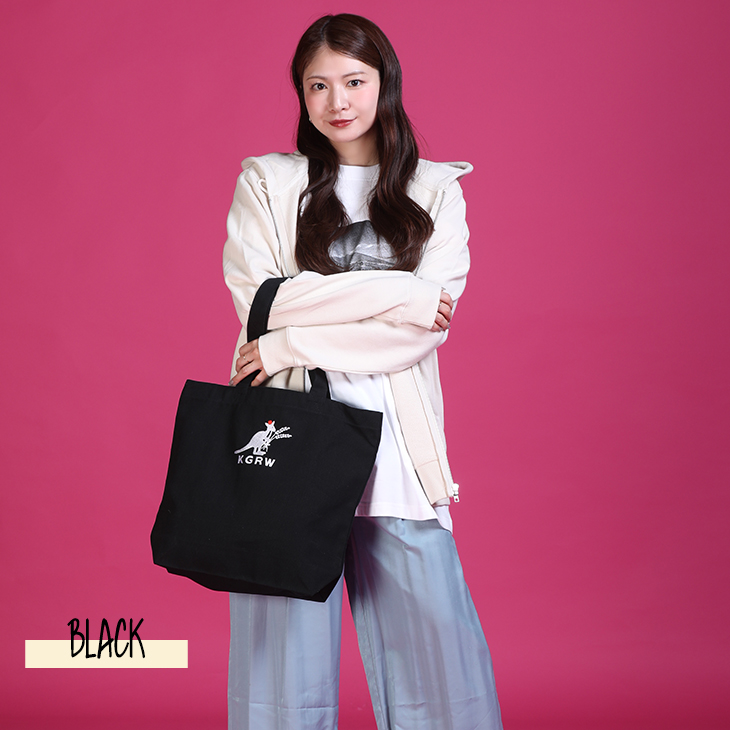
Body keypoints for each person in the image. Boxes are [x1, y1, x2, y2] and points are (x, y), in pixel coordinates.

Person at [223, 13, 503, 730]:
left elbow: (417, 335)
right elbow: (262, 303)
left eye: (353, 81)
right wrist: (402, 294)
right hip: (287, 443)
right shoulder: (268, 183)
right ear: (301, 93)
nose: (336, 101)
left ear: (385, 84)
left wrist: (290, 343)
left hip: (398, 452)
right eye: (317, 85)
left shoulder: (436, 190)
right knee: (280, 677)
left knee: (440, 677)